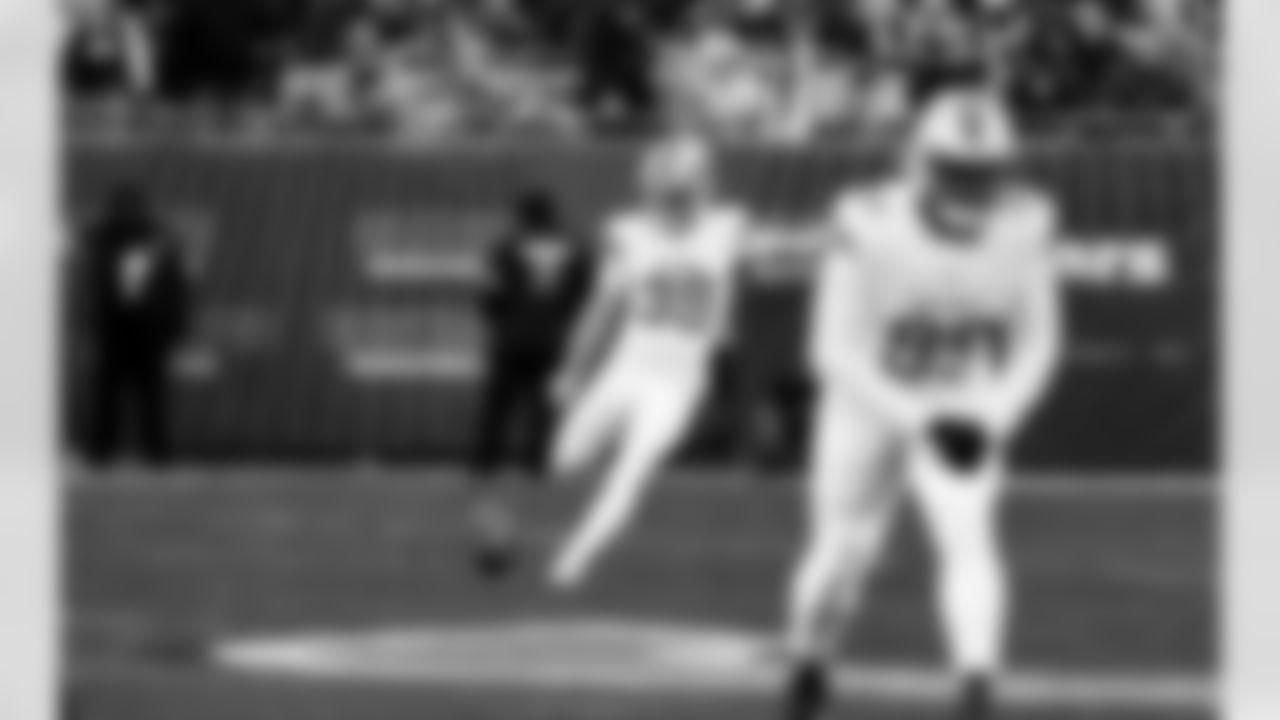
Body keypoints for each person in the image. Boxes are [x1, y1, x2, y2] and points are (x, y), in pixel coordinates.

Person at [781, 88, 1065, 720]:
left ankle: (976, 686)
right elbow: (831, 347)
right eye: (957, 169)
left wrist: (994, 416)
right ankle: (808, 658)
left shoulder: (1027, 222)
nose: (971, 185)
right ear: (920, 161)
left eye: (984, 171)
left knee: (969, 537)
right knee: (840, 553)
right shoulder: (866, 218)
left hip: (964, 399)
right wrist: (918, 420)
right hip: (866, 399)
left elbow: (1040, 342)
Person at [542, 133, 815, 591]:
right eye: (670, 192)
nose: (676, 202)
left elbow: (775, 255)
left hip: (678, 380)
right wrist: (571, 369)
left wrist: (822, 249)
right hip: (626, 370)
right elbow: (600, 308)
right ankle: (565, 543)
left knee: (633, 468)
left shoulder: (726, 229)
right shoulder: (629, 234)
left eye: (682, 192)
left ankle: (573, 560)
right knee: (566, 457)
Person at [470, 189, 591, 575]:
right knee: (541, 407)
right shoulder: (575, 250)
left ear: (523, 217)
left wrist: (504, 319)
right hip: (551, 338)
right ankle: (535, 462)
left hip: (512, 337)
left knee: (498, 406)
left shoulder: (505, 249)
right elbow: (583, 295)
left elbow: (489, 295)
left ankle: (487, 461)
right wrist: (557, 319)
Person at [83, 182, 193, 468]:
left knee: (150, 395)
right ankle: (102, 451)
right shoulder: (104, 240)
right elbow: (92, 283)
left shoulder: (157, 241)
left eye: (132, 208)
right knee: (109, 395)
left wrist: (173, 327)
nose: (128, 214)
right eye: (123, 208)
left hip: (148, 330)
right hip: (115, 328)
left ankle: (155, 452)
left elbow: (175, 287)